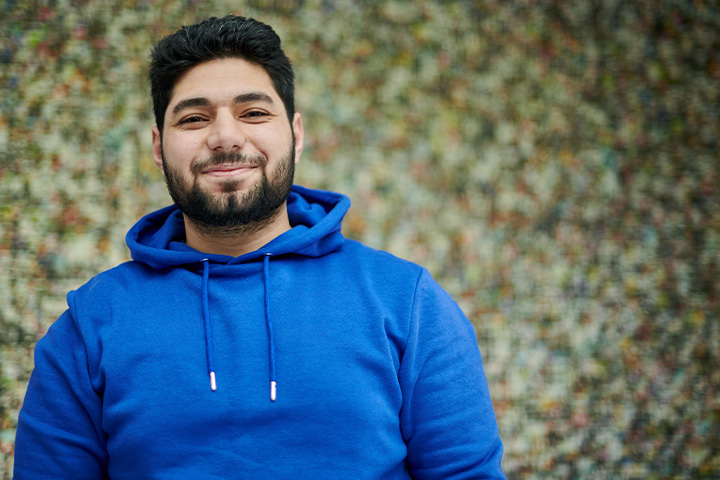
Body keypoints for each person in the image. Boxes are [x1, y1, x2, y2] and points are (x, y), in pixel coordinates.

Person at [14, 15, 505, 479]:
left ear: (294, 134)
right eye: (193, 119)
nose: (226, 137)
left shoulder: (408, 303)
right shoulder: (86, 327)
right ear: (159, 148)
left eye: (253, 112)